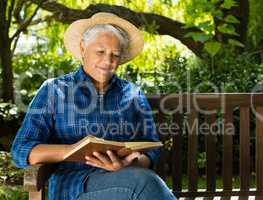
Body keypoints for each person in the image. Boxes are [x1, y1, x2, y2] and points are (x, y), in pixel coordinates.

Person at [11, 12, 177, 200]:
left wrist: (129, 164)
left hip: (129, 177)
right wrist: (72, 150)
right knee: (144, 183)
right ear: (83, 47)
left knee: (142, 181)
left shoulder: (133, 93)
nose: (108, 61)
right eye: (100, 52)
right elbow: (21, 150)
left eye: (115, 55)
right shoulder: (54, 90)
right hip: (75, 186)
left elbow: (152, 149)